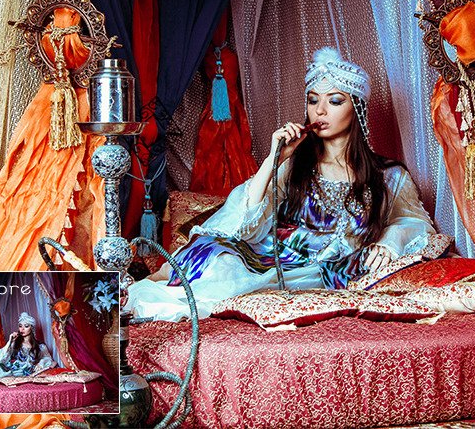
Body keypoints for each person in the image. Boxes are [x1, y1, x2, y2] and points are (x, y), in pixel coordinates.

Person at [127, 48, 442, 321]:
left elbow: (413, 222)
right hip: (268, 255)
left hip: (316, 270)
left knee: (232, 279)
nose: (320, 110)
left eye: (334, 101)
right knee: (216, 254)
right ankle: (143, 286)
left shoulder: (388, 176)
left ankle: (157, 289)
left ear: (357, 108)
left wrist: (388, 242)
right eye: (313, 101)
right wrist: (273, 160)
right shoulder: (294, 166)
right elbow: (244, 219)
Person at [0, 312, 56, 384]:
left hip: (24, 372)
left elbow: (48, 359)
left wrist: (41, 363)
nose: (22, 329)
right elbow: (3, 357)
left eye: (26, 326)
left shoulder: (40, 346)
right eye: (20, 326)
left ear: (32, 328)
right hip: (11, 369)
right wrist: (9, 342)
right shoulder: (15, 343)